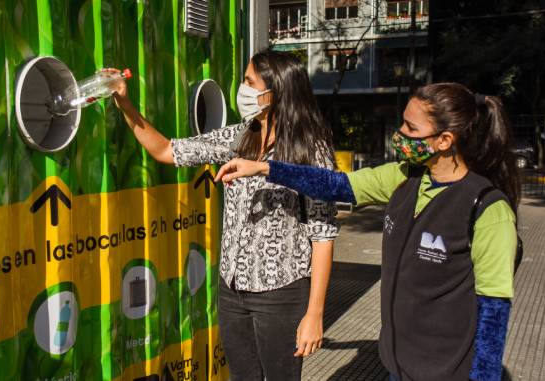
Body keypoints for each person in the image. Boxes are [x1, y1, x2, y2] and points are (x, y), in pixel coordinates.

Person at [215, 83, 519, 381]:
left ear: (444, 140)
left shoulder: (487, 210)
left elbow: (493, 312)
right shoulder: (403, 178)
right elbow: (335, 185)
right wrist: (265, 169)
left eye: (411, 129)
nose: (400, 134)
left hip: (449, 372)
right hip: (398, 366)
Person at [111, 50, 338, 381]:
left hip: (281, 292)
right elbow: (167, 150)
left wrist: (314, 314)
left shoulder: (310, 149)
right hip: (232, 288)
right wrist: (124, 103)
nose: (242, 89)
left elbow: (323, 235)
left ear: (276, 91)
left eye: (249, 82)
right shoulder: (240, 136)